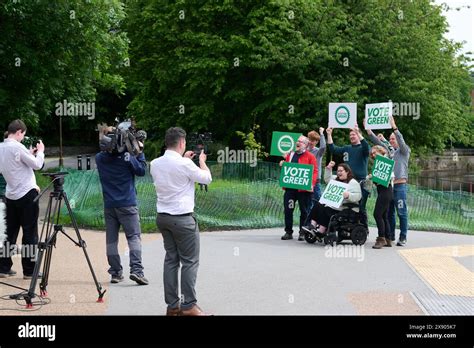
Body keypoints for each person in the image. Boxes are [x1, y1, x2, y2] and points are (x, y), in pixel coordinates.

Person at [150, 127, 212, 316]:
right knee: (190, 262)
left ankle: (172, 306)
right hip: (183, 218)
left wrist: (185, 159)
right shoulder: (185, 165)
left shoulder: (154, 163)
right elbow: (206, 178)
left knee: (171, 260)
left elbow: (173, 171)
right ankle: (189, 305)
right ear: (182, 143)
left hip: (163, 217)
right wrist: (201, 161)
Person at [96, 127, 149, 285]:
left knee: (111, 240)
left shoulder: (100, 158)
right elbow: (141, 170)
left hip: (109, 205)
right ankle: (137, 270)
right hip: (127, 204)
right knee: (133, 238)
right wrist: (139, 150)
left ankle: (115, 273)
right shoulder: (128, 157)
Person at [0, 120, 44, 279]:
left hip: (10, 195)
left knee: (9, 233)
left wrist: (28, 154)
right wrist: (40, 152)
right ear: (19, 132)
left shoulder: (1, 148)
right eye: (23, 135)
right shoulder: (18, 147)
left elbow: (13, 164)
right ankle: (29, 270)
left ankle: (3, 267)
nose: (22, 138)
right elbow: (38, 165)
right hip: (27, 195)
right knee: (30, 233)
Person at [366, 117, 410, 246]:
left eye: (393, 138)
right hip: (389, 186)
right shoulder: (390, 154)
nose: (391, 140)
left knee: (401, 212)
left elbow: (401, 141)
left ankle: (403, 237)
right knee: (389, 212)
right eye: (390, 139)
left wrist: (394, 128)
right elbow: (379, 146)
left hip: (400, 185)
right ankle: (389, 237)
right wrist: (369, 131)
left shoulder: (404, 151)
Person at [326, 126, 370, 226]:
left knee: (361, 206)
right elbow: (333, 149)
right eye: (350, 135)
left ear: (359, 135)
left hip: (361, 181)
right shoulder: (347, 148)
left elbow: (367, 148)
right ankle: (346, 225)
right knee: (346, 204)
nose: (351, 136)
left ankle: (363, 227)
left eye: (354, 134)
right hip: (348, 181)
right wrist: (329, 134)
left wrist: (358, 131)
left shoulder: (363, 148)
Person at [303, 162, 361, 235]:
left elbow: (358, 196)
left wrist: (348, 195)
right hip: (333, 205)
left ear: (347, 171)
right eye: (338, 171)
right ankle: (312, 225)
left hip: (345, 207)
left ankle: (321, 230)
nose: (339, 172)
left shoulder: (353, 182)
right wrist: (328, 168)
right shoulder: (336, 179)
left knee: (326, 209)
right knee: (318, 205)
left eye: (341, 171)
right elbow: (327, 179)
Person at [279, 135, 318, 241]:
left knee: (304, 211)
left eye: (300, 141)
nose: (298, 143)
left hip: (304, 190)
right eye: (297, 141)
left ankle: (302, 232)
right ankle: (288, 232)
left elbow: (314, 171)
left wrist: (312, 185)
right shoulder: (290, 155)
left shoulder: (310, 156)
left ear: (305, 144)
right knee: (288, 209)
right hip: (290, 189)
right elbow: (287, 169)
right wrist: (283, 164)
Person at [364, 145, 394, 249]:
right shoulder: (379, 164)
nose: (373, 155)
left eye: (374, 152)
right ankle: (388, 238)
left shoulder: (385, 161)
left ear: (380, 151)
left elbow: (389, 176)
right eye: (372, 154)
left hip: (386, 190)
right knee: (384, 215)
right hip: (384, 191)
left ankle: (381, 239)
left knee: (377, 214)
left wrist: (372, 176)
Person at [307, 127, 326, 205]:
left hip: (315, 180)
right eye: (310, 139)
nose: (311, 142)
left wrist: (321, 134)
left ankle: (317, 217)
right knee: (307, 202)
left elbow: (323, 147)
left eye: (313, 140)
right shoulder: (303, 150)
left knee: (317, 202)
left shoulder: (318, 151)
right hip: (305, 179)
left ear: (316, 142)